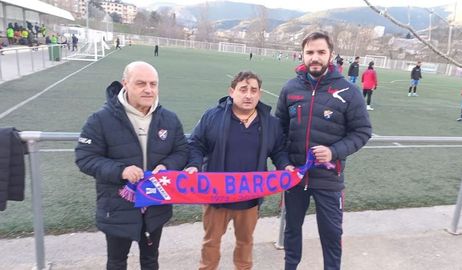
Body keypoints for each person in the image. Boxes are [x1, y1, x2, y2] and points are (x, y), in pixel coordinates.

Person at [75, 61, 188, 270]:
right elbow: (85, 158)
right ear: (125, 84)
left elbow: (182, 152)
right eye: (141, 83)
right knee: (117, 261)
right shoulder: (101, 119)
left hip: (155, 203)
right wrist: (122, 171)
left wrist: (166, 167)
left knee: (150, 260)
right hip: (117, 206)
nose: (148, 89)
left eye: (153, 84)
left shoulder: (170, 119)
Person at [275, 31, 372, 270]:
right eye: (310, 52)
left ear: (330, 55)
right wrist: (284, 164)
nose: (315, 57)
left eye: (321, 52)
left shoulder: (348, 91)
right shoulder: (290, 89)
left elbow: (362, 132)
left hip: (329, 179)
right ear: (302, 55)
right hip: (296, 178)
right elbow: (278, 132)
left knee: (331, 234)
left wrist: (333, 152)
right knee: (291, 230)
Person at [186, 71, 293, 270]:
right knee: (211, 243)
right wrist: (193, 165)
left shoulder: (271, 123)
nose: (248, 95)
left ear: (259, 94)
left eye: (254, 90)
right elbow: (195, 144)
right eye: (243, 89)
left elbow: (278, 150)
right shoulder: (212, 116)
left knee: (245, 243)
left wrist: (285, 165)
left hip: (249, 198)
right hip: (216, 196)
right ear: (232, 92)